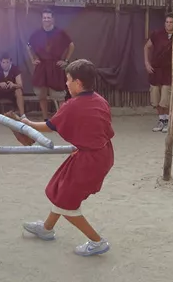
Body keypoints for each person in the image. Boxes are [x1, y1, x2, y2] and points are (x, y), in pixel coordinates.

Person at [20, 59, 115, 256]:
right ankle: (47, 229)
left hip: (90, 160)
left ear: (78, 83)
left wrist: (27, 123)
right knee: (62, 190)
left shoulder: (73, 105)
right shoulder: (99, 100)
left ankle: (97, 241)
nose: (66, 83)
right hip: (101, 154)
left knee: (67, 202)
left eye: (69, 80)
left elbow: (49, 127)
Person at [27, 8, 74, 120]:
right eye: (44, 18)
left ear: (53, 19)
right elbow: (28, 46)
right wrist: (33, 59)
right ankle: (45, 118)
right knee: (42, 95)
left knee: (59, 95)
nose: (46, 20)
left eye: (48, 17)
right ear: (42, 19)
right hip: (42, 66)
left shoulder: (60, 33)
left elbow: (71, 45)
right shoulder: (36, 34)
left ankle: (62, 119)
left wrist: (66, 61)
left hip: (55, 66)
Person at [0, 53, 26, 117]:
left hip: (11, 92)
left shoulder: (15, 69)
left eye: (7, 62)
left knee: (19, 91)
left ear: (11, 62)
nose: (5, 65)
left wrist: (13, 85)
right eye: (3, 62)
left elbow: (20, 85)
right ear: (0, 62)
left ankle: (23, 116)